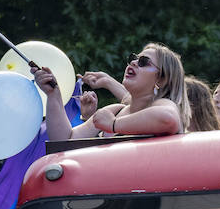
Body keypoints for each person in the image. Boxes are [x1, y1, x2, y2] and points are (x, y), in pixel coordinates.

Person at [34, 44, 187, 140]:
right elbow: (65, 139)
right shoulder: (114, 110)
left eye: (143, 62)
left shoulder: (163, 104)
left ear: (161, 79)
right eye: (134, 58)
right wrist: (53, 95)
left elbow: (168, 119)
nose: (133, 62)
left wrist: (113, 125)